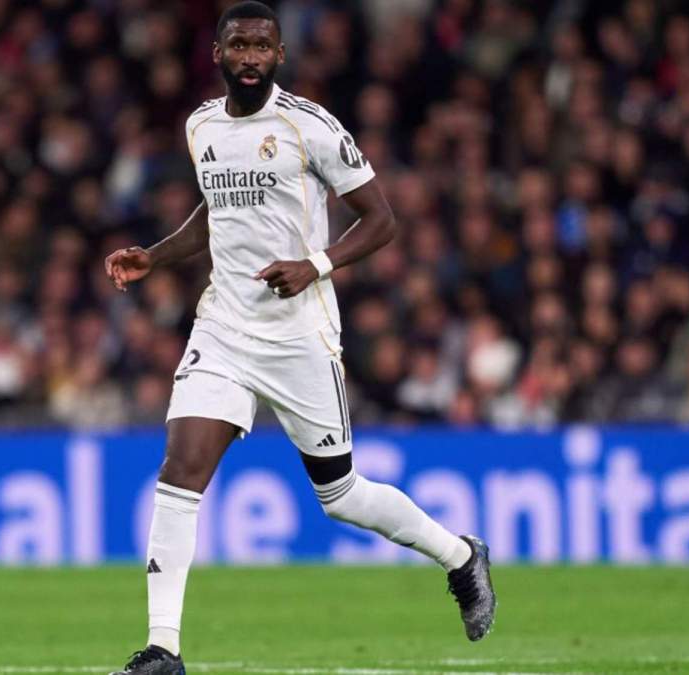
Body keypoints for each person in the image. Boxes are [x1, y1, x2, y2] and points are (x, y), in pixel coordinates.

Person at [103, 4, 496, 674]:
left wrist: (315, 263)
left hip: (299, 331)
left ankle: (461, 555)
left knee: (341, 495)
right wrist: (157, 256)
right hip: (224, 324)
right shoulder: (201, 125)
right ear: (219, 54)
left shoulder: (308, 125)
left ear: (280, 54)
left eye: (262, 45)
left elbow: (383, 218)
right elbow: (215, 211)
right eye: (238, 45)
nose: (250, 56)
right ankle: (163, 649)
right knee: (180, 470)